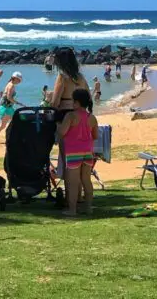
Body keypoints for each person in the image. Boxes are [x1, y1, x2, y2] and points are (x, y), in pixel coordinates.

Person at [57, 88, 98, 217]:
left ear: (77, 102)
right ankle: (89, 208)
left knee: (73, 182)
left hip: (73, 152)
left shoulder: (71, 115)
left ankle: (72, 209)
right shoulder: (92, 117)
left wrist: (59, 126)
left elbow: (62, 132)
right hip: (88, 151)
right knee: (86, 180)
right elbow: (95, 135)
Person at [0, 72, 26, 146]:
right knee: (3, 126)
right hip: (6, 109)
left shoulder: (9, 84)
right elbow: (9, 97)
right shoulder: (11, 85)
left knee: (16, 123)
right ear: (15, 78)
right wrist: (18, 103)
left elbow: (4, 95)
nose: (19, 82)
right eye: (19, 80)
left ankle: (18, 139)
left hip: (8, 108)